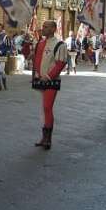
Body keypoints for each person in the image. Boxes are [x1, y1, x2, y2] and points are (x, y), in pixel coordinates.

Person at [32, 21, 68, 150]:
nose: (44, 29)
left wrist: (48, 77)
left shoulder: (60, 44)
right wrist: (36, 73)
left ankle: (48, 139)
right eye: (43, 27)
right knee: (45, 108)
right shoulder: (40, 43)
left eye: (46, 27)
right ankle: (44, 138)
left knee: (47, 107)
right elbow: (36, 60)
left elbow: (61, 63)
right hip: (40, 79)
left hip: (51, 80)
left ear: (54, 28)